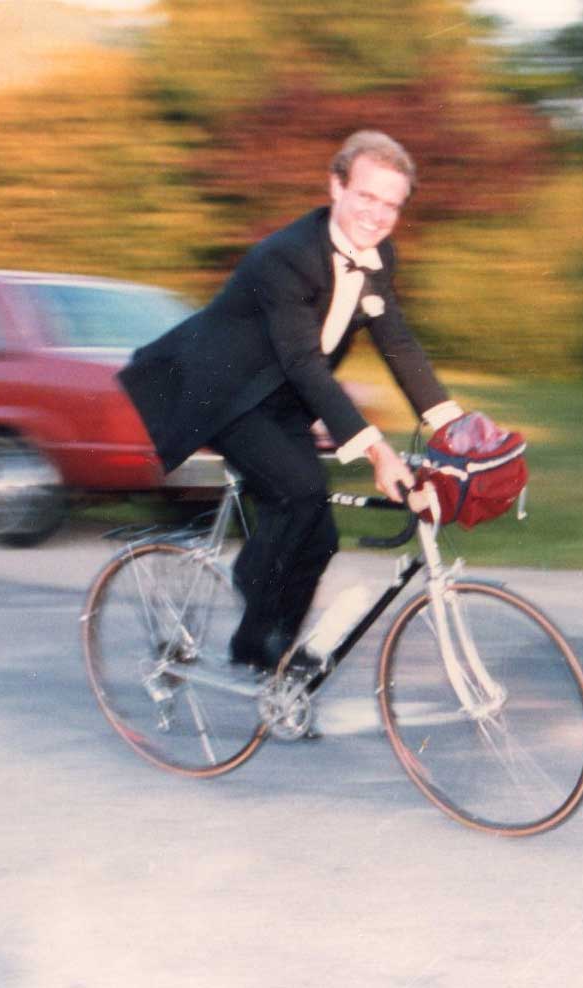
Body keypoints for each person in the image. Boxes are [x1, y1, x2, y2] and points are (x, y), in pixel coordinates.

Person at [118, 130, 462, 674]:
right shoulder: (289, 255)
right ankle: (256, 623)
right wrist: (377, 453)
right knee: (301, 493)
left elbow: (397, 341)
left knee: (320, 536)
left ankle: (273, 663)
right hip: (225, 394)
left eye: (391, 205)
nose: (377, 215)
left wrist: (457, 428)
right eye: (366, 197)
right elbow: (305, 362)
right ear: (336, 186)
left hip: (284, 398)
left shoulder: (378, 256)